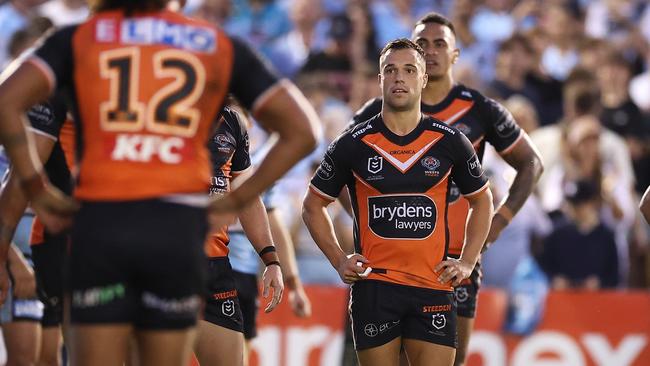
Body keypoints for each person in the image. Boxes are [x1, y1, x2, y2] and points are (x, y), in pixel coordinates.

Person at [0, 1, 320, 365]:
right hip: (175, 234)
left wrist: (34, 185)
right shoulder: (212, 43)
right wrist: (232, 201)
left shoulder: (82, 37)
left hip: (102, 229)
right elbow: (303, 131)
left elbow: (6, 100)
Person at [349, 13, 543, 366]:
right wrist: (369, 226)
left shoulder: (480, 109)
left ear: (456, 55)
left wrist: (497, 223)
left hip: (455, 264)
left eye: (441, 44)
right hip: (389, 266)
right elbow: (333, 177)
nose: (432, 51)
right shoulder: (374, 113)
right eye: (423, 44)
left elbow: (532, 164)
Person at [303, 39, 493, 366]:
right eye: (390, 70)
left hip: (433, 287)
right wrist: (338, 259)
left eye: (409, 70)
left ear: (423, 79)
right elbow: (312, 205)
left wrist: (466, 261)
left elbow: (483, 201)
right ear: (380, 80)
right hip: (375, 289)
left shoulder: (450, 142)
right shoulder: (352, 144)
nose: (399, 78)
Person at [195, 106, 284, 366]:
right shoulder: (153, 111)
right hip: (162, 263)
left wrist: (271, 260)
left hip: (215, 267)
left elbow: (247, 197)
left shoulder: (232, 121)